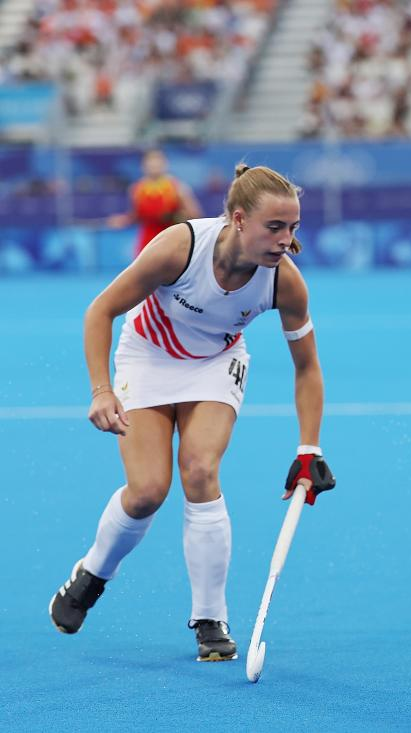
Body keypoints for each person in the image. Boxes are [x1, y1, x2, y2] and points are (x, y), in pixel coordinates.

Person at [49, 164, 336, 661]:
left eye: (293, 228)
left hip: (215, 363)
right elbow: (100, 310)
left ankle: (209, 617)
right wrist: (100, 390)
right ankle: (93, 572)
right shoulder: (179, 247)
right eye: (275, 227)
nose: (287, 240)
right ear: (239, 219)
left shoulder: (284, 283)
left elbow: (307, 369)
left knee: (201, 469)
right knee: (146, 493)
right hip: (148, 356)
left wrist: (308, 448)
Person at [106, 149, 203, 257]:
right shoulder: (136, 189)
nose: (154, 164)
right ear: (143, 165)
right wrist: (123, 221)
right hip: (147, 242)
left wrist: (175, 217)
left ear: (165, 164)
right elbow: (136, 216)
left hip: (171, 240)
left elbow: (195, 215)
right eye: (150, 161)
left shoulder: (177, 187)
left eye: (158, 161)